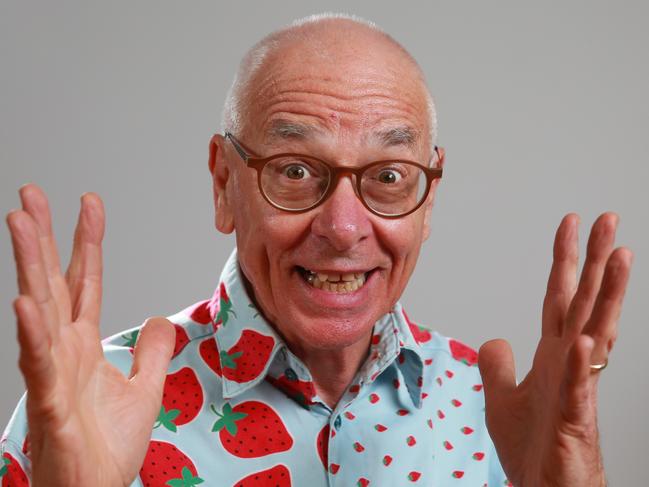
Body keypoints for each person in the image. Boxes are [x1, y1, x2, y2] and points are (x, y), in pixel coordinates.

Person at [1, 13, 632, 487]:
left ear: (429, 196)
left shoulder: (504, 418)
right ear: (224, 183)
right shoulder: (82, 405)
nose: (344, 226)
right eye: (297, 170)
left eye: (388, 176)